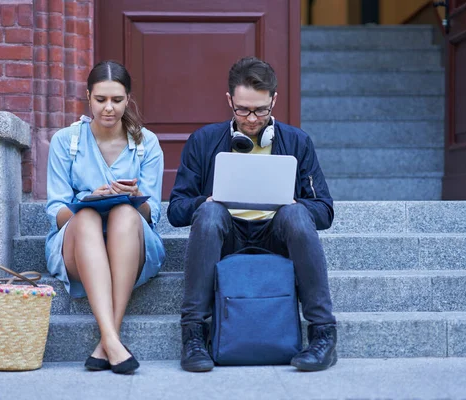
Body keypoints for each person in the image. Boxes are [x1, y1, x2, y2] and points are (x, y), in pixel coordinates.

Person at [167, 56, 337, 372]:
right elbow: (176, 211)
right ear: (229, 100)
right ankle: (192, 335)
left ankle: (323, 335)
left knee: (297, 215)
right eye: (242, 109)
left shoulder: (297, 142)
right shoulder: (203, 140)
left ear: (274, 100)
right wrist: (208, 200)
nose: (251, 118)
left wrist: (293, 203)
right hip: (225, 237)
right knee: (210, 213)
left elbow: (324, 211)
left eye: (261, 109)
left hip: (276, 237)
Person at [45, 60, 165, 375]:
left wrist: (136, 196)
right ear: (88, 97)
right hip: (79, 245)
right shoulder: (65, 142)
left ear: (128, 99)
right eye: (101, 100)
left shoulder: (146, 143)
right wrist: (87, 200)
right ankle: (113, 340)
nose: (109, 108)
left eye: (117, 100)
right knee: (85, 218)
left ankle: (106, 342)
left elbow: (153, 216)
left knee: (125, 212)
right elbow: (56, 213)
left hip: (132, 243)